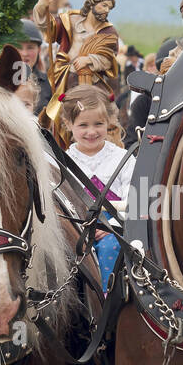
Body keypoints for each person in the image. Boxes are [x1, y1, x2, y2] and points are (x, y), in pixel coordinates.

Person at [61, 85, 131, 291]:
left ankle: (109, 302)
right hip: (76, 230)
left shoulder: (123, 159)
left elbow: (135, 197)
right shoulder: (61, 162)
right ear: (68, 123)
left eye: (98, 124)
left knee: (112, 248)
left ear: (108, 122)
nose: (91, 132)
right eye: (83, 125)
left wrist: (113, 226)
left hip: (114, 230)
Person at [33, 0, 121, 137]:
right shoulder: (70, 20)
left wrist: (89, 59)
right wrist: (42, 6)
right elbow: (48, 28)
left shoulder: (108, 32)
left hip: (91, 82)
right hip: (66, 79)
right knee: (60, 117)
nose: (107, 10)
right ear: (92, 3)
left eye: (109, 8)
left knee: (96, 113)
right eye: (104, 5)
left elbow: (109, 59)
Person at [16, 18, 52, 115]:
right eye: (19, 47)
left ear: (39, 50)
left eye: (30, 47)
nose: (24, 53)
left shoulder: (49, 84)